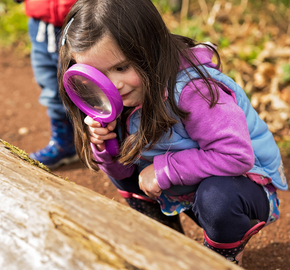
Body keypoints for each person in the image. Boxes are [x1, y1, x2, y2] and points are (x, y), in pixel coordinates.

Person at [58, 0, 287, 265]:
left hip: (244, 185)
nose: (114, 85)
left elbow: (236, 156)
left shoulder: (194, 90)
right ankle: (166, 244)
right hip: (183, 186)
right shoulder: (122, 97)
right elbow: (123, 172)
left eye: (121, 68)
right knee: (125, 166)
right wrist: (104, 147)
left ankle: (223, 257)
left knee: (217, 198)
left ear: (151, 48)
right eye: (97, 75)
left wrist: (163, 170)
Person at [14, 0, 79, 169]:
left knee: (87, 87)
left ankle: (112, 149)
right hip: (39, 24)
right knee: (51, 86)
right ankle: (64, 143)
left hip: (80, 21)